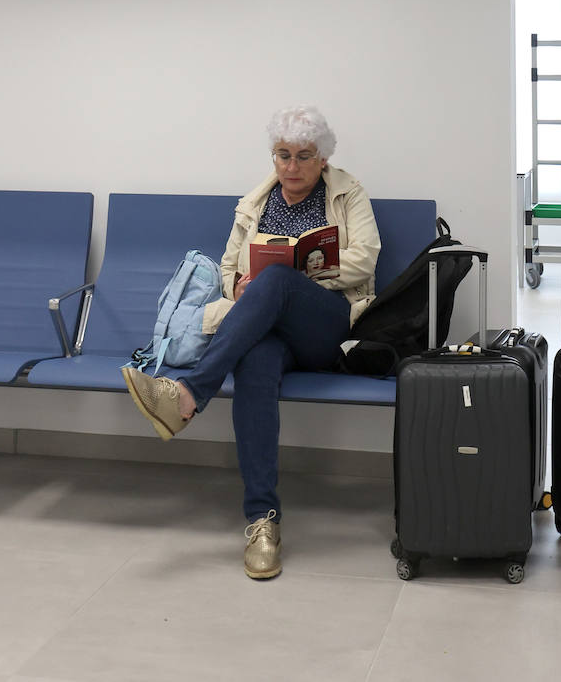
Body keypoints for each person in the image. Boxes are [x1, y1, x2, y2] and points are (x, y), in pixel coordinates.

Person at [121, 106, 380, 579]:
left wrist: (296, 274)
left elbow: (365, 258)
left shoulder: (348, 192)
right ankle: (263, 521)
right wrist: (239, 288)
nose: (291, 166)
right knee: (255, 361)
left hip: (326, 325)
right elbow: (226, 270)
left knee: (278, 278)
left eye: (304, 156)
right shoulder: (255, 204)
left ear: (322, 158)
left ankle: (188, 393)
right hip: (269, 331)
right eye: (283, 154)